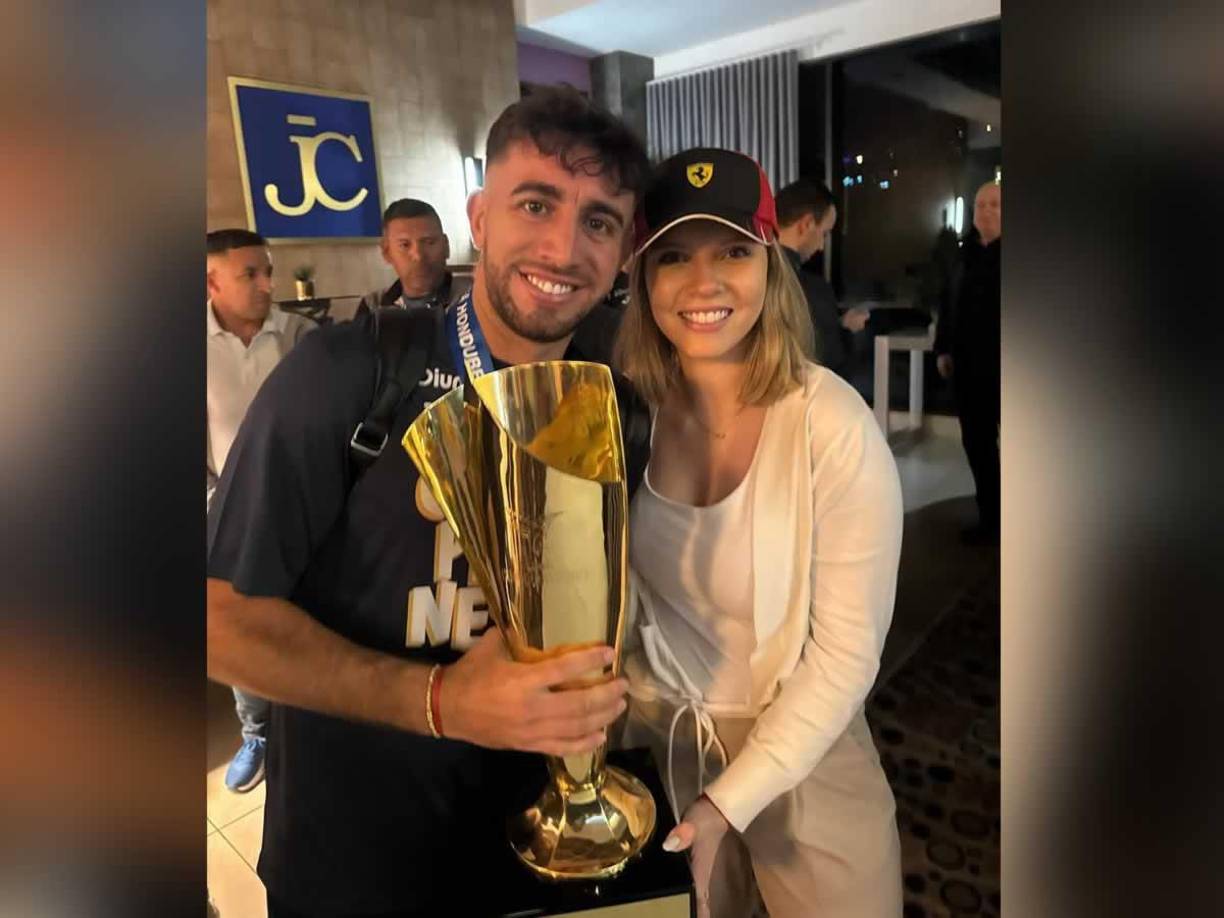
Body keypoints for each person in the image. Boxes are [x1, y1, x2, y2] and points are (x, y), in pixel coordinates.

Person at [206, 86, 650, 917]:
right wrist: (441, 703)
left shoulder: (611, 407)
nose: (563, 246)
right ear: (478, 219)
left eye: (599, 222)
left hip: (535, 853)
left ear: (623, 250)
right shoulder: (350, 374)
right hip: (357, 861)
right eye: (536, 203)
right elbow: (216, 619)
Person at [613, 148, 904, 918]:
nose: (704, 283)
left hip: (805, 750)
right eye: (673, 256)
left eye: (734, 252)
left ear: (771, 265)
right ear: (643, 279)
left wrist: (726, 804)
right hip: (663, 747)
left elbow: (845, 657)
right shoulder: (625, 413)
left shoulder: (830, 424)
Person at [206, 227, 315, 793]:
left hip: (304, 508)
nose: (266, 284)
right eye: (250, 273)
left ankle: (314, 727)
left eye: (268, 270)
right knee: (239, 627)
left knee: (308, 618)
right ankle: (258, 734)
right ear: (212, 280)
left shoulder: (301, 337)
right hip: (227, 510)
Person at [935, 180, 1001, 544]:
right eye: (981, 205)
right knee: (977, 446)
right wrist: (943, 349)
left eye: (995, 205)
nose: (987, 211)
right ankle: (991, 519)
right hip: (969, 371)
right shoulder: (963, 255)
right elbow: (948, 305)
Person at [774, 178, 869, 381]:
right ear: (806, 224)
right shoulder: (813, 291)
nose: (821, 247)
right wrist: (846, 331)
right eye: (824, 234)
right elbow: (831, 370)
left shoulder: (746, 274)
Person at [354, 198, 471, 317]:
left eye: (429, 242)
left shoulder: (474, 296)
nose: (418, 256)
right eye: (405, 245)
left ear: (446, 247)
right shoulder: (373, 307)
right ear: (387, 253)